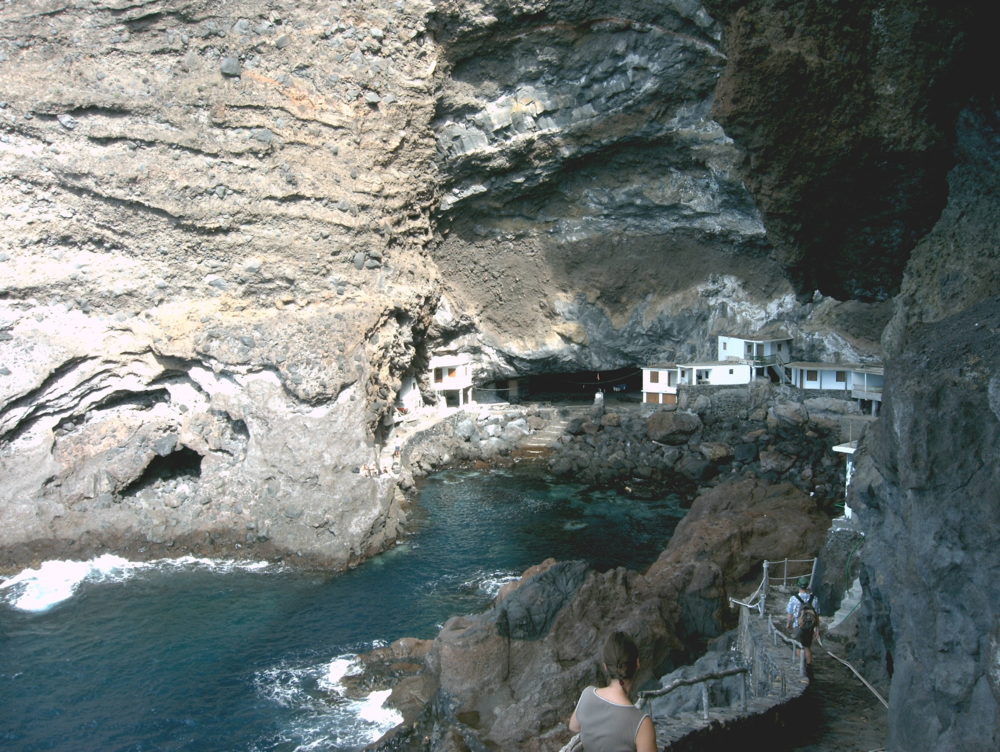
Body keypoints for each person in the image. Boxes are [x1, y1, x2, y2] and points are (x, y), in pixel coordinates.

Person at [568, 632, 657, 752]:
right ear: (637, 663)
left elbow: (574, 726)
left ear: (605, 666)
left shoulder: (587, 695)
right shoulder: (642, 723)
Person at [786, 576, 821, 670]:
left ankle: (801, 667)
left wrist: (788, 624)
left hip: (798, 626)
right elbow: (817, 615)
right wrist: (817, 628)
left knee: (798, 646)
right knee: (807, 646)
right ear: (807, 586)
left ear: (798, 586)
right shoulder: (814, 598)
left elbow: (790, 614)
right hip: (809, 626)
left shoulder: (794, 599)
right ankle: (809, 667)